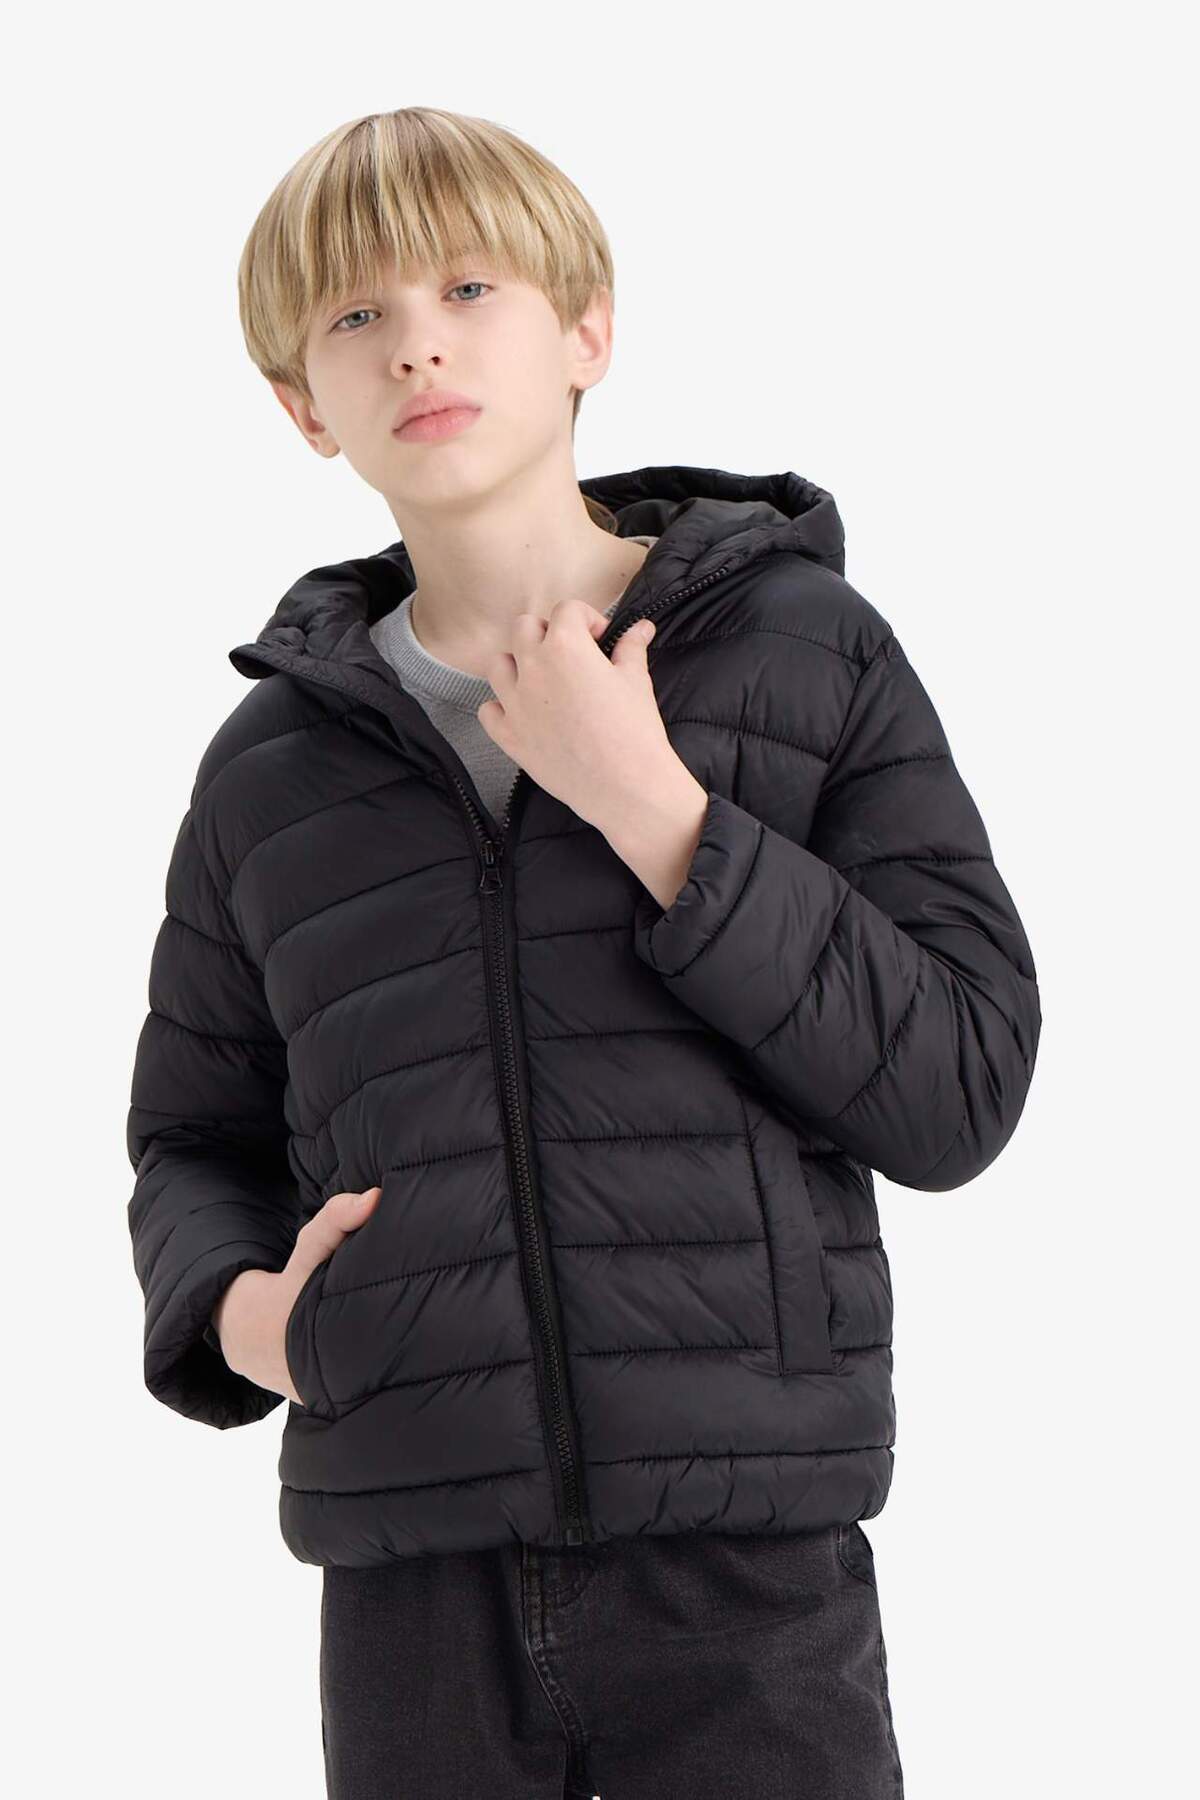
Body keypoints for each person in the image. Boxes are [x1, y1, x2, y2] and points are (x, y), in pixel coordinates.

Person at [125, 105, 1041, 1799]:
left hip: (747, 1572)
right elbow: (193, 1135)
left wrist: (657, 811)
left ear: (586, 333)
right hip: (411, 1585)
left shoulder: (802, 653)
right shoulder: (269, 771)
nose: (417, 343)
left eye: (469, 288)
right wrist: (248, 1321)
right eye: (355, 314)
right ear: (302, 405)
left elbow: (960, 1086)